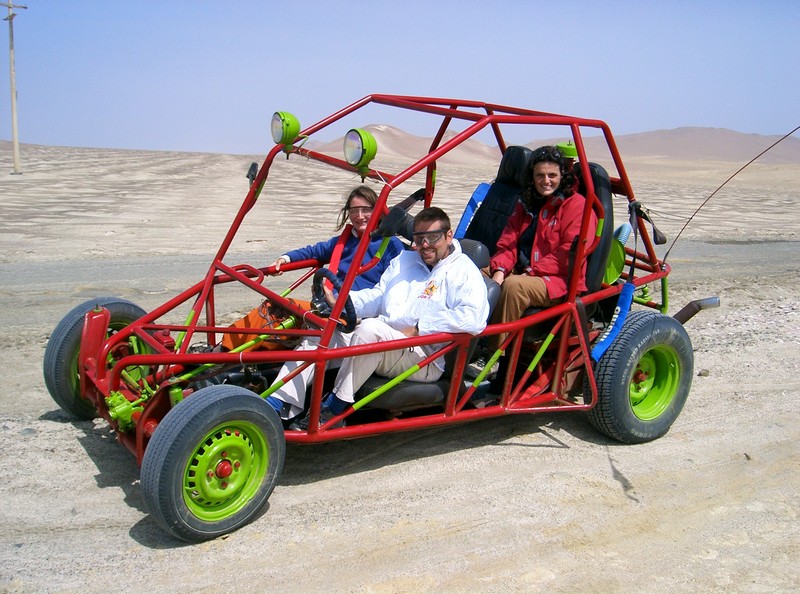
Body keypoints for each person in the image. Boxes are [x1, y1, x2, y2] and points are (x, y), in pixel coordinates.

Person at [265, 207, 490, 427]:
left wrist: (420, 328)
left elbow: (472, 318)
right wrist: (342, 302)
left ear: (448, 236)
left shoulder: (464, 271)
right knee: (321, 331)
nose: (425, 245)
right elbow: (378, 296)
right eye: (419, 238)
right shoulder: (405, 261)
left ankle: (333, 411)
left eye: (433, 237)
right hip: (386, 340)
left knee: (369, 330)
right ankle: (274, 404)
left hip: (426, 354)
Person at [478, 145, 596, 384]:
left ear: (562, 176)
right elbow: (508, 242)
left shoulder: (577, 206)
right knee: (472, 275)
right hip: (522, 270)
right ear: (532, 177)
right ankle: (458, 343)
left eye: (552, 175)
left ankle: (493, 357)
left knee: (513, 287)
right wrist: (499, 269)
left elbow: (567, 254)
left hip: (559, 280)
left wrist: (527, 271)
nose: (546, 181)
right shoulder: (527, 204)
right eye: (540, 175)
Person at [268, 185, 404, 291]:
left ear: (377, 211)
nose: (360, 216)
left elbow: (394, 288)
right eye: (354, 211)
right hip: (334, 303)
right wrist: (285, 259)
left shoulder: (391, 245)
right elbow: (314, 251)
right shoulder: (343, 242)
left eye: (366, 209)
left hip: (365, 312)